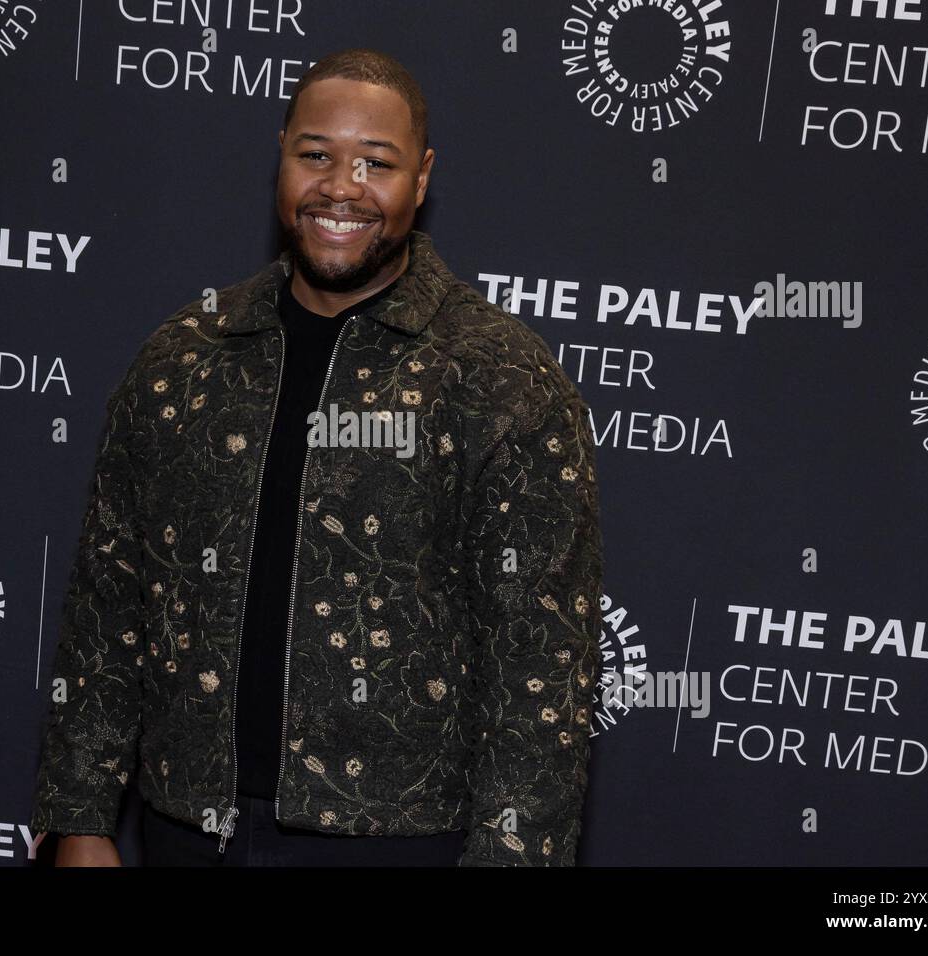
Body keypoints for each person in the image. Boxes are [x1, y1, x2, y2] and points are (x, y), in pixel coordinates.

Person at [30, 48, 604, 867]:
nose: (342, 186)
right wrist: (81, 816)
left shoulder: (499, 377)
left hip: (402, 841)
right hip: (186, 824)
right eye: (317, 155)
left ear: (422, 177)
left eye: (377, 162)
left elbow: (541, 662)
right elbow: (109, 598)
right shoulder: (186, 356)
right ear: (282, 157)